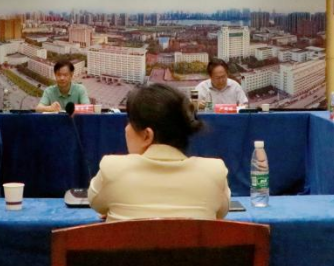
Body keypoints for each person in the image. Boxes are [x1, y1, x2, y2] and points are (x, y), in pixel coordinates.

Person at [89, 83, 230, 222]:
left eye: (129, 122)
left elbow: (98, 205)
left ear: (147, 135)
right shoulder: (214, 172)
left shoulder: (111, 169)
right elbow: (221, 212)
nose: (126, 129)